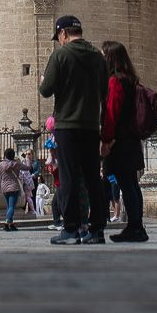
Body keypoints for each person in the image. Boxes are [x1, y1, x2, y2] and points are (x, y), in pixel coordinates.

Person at [38, 14, 110, 245]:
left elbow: (46, 90)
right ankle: (97, 229)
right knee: (92, 177)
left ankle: (70, 229)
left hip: (68, 126)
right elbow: (105, 93)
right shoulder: (98, 58)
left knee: (68, 177)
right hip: (90, 126)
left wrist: (44, 80)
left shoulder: (60, 55)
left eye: (58, 37)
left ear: (63, 34)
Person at [99, 40, 147, 243]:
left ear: (110, 57)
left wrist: (106, 140)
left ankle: (134, 227)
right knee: (132, 184)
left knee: (126, 184)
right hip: (130, 140)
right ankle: (136, 226)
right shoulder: (130, 79)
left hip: (120, 143)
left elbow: (111, 113)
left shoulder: (115, 81)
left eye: (103, 55)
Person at [0, 147, 26, 231]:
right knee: (11, 206)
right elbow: (28, 168)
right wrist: (26, 159)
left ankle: (11, 225)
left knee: (9, 206)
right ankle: (6, 222)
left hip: (4, 188)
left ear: (5, 155)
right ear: (13, 155)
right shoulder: (16, 163)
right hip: (14, 187)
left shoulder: (1, 164)